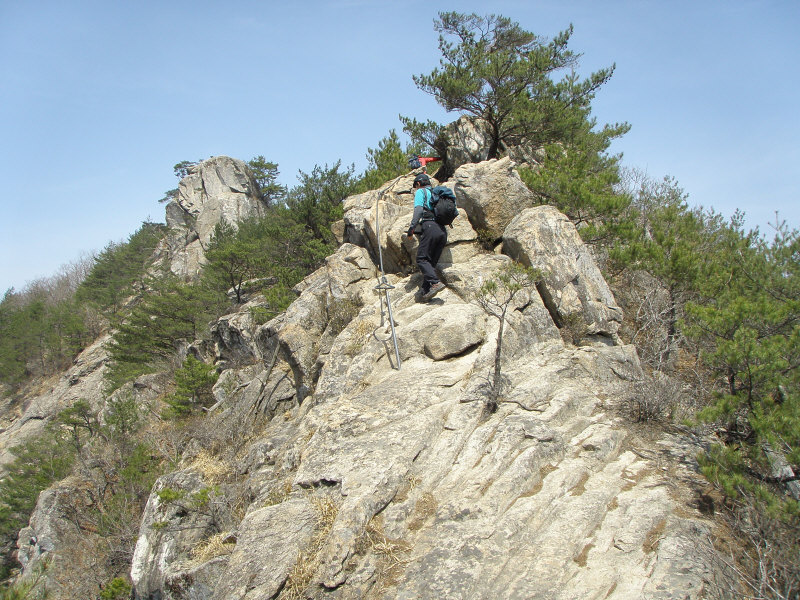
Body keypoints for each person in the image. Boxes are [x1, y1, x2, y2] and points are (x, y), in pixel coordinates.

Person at [406, 173, 447, 301]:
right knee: (430, 263)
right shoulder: (437, 193)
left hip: (430, 227)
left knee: (422, 259)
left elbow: (418, 210)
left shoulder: (421, 192)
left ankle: (435, 283)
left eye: (416, 186)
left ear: (418, 184)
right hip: (442, 231)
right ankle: (426, 291)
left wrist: (412, 228)